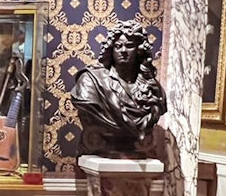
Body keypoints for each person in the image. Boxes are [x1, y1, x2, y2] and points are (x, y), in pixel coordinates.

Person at [70, 20, 167, 157]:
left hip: (137, 156)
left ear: (139, 50)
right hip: (103, 151)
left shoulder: (154, 89)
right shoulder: (91, 81)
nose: (123, 51)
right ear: (111, 49)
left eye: (129, 46)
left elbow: (159, 107)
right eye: (118, 46)